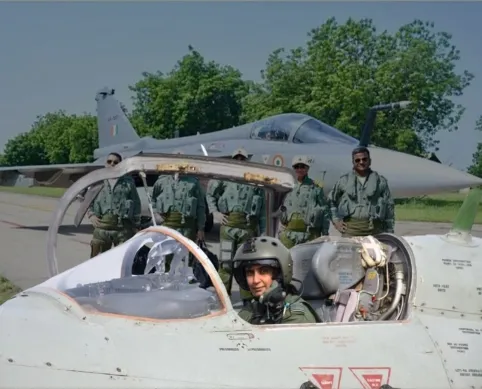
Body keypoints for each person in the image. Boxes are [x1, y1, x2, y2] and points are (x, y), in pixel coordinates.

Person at [206, 147, 266, 302]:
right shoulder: (224, 178)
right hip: (229, 228)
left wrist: (264, 231)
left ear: (246, 161)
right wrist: (215, 213)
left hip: (248, 229)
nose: (240, 161)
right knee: (225, 264)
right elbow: (210, 194)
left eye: (242, 159)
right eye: (237, 158)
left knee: (246, 265)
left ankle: (248, 300)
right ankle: (222, 299)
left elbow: (262, 209)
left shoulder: (255, 180)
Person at [232, 236, 319, 325]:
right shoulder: (251, 310)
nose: (255, 280)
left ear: (279, 275)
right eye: (250, 272)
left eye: (264, 271)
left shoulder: (296, 316)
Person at [327, 146, 395, 237]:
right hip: (350, 230)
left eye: (364, 159)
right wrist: (336, 221)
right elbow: (331, 201)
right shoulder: (343, 181)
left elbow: (389, 207)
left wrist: (389, 231)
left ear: (369, 161)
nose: (361, 162)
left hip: (374, 230)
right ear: (353, 162)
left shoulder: (380, 181)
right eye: (357, 160)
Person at [87, 152, 141, 257]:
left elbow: (136, 204)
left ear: (120, 164)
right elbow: (88, 201)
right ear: (105, 164)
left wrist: (136, 226)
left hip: (123, 229)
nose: (112, 164)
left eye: (116, 162)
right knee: (97, 260)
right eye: (109, 161)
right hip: (102, 228)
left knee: (122, 260)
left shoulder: (128, 183)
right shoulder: (98, 181)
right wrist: (91, 215)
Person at [277, 155, 330, 249]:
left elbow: (324, 210)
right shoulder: (286, 186)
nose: (299, 169)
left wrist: (325, 233)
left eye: (302, 167)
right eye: (296, 167)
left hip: (308, 235)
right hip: (288, 235)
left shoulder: (315, 187)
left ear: (307, 168)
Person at [151, 173, 206, 243]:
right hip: (166, 227)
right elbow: (152, 200)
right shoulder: (161, 181)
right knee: (166, 252)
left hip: (187, 229)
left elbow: (200, 207)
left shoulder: (193, 182)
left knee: (186, 252)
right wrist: (156, 214)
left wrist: (200, 229)